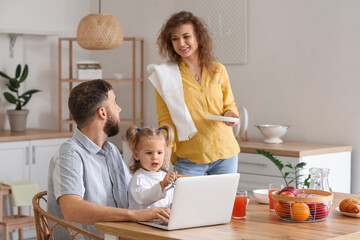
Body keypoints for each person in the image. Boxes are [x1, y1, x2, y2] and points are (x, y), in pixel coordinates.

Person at [47, 79, 170, 239]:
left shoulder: (111, 151)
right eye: (115, 103)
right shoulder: (70, 154)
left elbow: (132, 193)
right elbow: (72, 209)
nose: (119, 109)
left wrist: (168, 186)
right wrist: (134, 215)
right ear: (103, 112)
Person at [150, 11, 240, 176]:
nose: (181, 43)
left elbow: (229, 103)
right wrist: (164, 156)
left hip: (226, 153)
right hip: (190, 157)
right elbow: (165, 121)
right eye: (175, 38)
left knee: (223, 202)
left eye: (186, 36)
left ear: (198, 37)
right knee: (186, 202)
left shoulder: (218, 70)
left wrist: (230, 113)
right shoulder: (165, 76)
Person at [126, 124, 177, 210]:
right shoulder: (139, 178)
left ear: (165, 154)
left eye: (159, 153)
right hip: (141, 222)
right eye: (149, 153)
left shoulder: (164, 176)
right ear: (136, 154)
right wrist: (161, 185)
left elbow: (170, 201)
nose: (155, 157)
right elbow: (143, 198)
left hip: (162, 222)